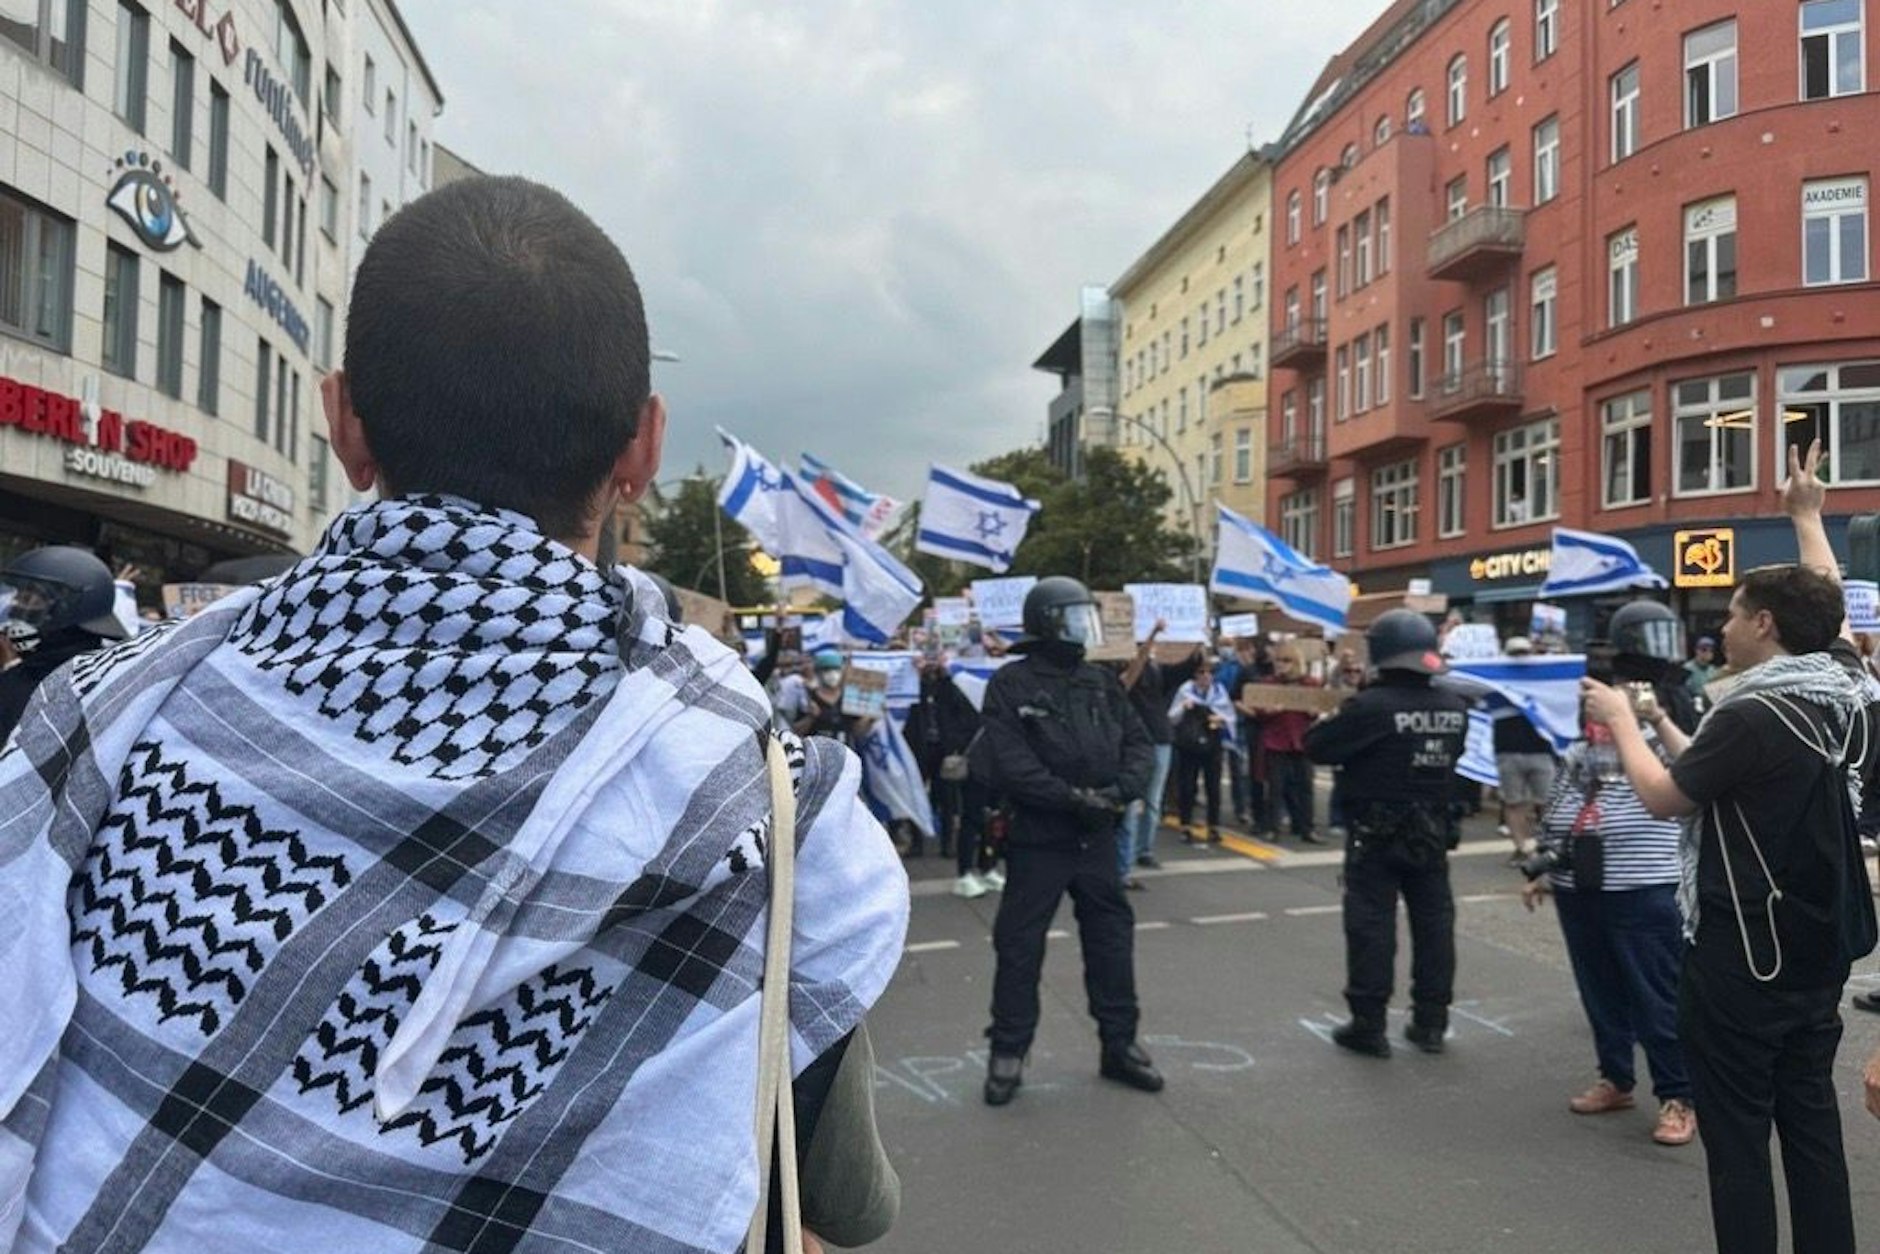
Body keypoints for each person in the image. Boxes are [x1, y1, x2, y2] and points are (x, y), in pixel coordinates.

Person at [0, 177, 908, 1254]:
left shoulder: (103, 718)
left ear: (343, 422)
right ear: (642, 449)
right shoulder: (762, 804)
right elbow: (843, 1205)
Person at [1583, 440, 1873, 1254]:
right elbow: (1835, 614)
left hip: (1740, 956)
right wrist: (1807, 516)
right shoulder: (1846, 690)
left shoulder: (1748, 715)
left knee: (1740, 1143)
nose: (1726, 626)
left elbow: (1664, 797)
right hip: (1818, 949)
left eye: (1737, 611)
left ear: (1764, 624)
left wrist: (1619, 722)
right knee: (1811, 1124)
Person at [977, 575, 1162, 1105]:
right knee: (1019, 946)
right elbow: (1014, 765)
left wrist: (1120, 792)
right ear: (1046, 623)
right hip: (1040, 837)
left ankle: (1119, 1043)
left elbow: (1138, 744)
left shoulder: (1100, 681)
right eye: (1074, 617)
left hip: (1097, 836)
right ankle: (1008, 1050)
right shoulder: (1012, 684)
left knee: (1111, 941)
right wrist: (1072, 798)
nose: (1085, 628)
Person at [1520, 715, 1696, 1146]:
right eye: (1589, 707)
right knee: (1599, 991)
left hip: (1645, 887)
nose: (1593, 716)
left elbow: (1690, 790)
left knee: (1656, 996)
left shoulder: (1659, 745)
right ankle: (1615, 1079)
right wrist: (1542, 867)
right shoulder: (1579, 753)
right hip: (1579, 888)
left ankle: (1678, 1097)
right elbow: (1557, 814)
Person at [1304, 609, 1469, 1057]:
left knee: (1371, 927)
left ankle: (1368, 1023)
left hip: (1375, 835)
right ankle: (1431, 1021)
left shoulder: (1370, 707)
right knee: (1435, 926)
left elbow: (1317, 746)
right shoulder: (1455, 708)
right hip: (1432, 831)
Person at [0, 545, 128, 744]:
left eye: (27, 599)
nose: (15, 610)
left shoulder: (82, 689)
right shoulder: (27, 670)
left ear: (65, 609)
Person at [904, 658, 999, 898]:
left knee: (985, 813)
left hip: (981, 759)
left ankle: (985, 865)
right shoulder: (924, 686)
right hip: (937, 752)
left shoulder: (964, 689)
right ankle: (964, 870)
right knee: (968, 813)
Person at [1117, 618, 1192, 882]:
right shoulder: (1119, 667)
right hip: (1133, 742)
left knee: (1152, 802)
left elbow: (1186, 668)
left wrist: (1196, 638)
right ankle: (1123, 865)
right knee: (1130, 803)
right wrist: (1150, 636)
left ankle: (1143, 850)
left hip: (1159, 738)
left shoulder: (1158, 670)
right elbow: (1130, 676)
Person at [1242, 645, 1324, 843]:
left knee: (1305, 786)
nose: (1281, 665)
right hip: (1275, 740)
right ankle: (1273, 828)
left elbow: (1318, 710)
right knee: (1275, 788)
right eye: (1278, 660)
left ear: (1296, 663)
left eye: (1286, 661)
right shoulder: (1268, 683)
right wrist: (1267, 712)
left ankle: (1307, 828)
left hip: (1301, 740)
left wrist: (1314, 712)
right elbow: (1256, 711)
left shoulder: (1309, 684)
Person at [1491, 635, 1557, 864]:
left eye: (1523, 653)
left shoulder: (1544, 681)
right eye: (1515, 654)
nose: (1519, 659)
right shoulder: (1495, 683)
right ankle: (1522, 847)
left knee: (1548, 801)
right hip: (1508, 751)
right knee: (1513, 802)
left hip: (1538, 750)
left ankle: (1545, 845)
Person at [1168, 655, 1236, 845]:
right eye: (1201, 672)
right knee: (1187, 786)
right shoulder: (1186, 690)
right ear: (1194, 675)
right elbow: (1172, 717)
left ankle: (1213, 827)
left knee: (1213, 787)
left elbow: (1229, 716)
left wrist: (1220, 720)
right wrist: (1183, 706)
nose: (1206, 676)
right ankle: (1185, 826)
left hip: (1212, 744)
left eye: (1209, 672)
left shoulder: (1219, 691)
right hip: (1189, 745)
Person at [794, 645, 872, 747]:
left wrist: (870, 716)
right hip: (818, 755)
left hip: (846, 754)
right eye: (827, 670)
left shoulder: (848, 698)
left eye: (836, 670)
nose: (832, 674)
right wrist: (811, 717)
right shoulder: (809, 697)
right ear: (818, 672)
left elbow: (857, 731)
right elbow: (796, 732)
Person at [1684, 634, 1723, 700]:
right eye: (1704, 650)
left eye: (1711, 651)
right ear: (1696, 650)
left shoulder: (1713, 670)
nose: (1708, 653)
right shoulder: (1687, 669)